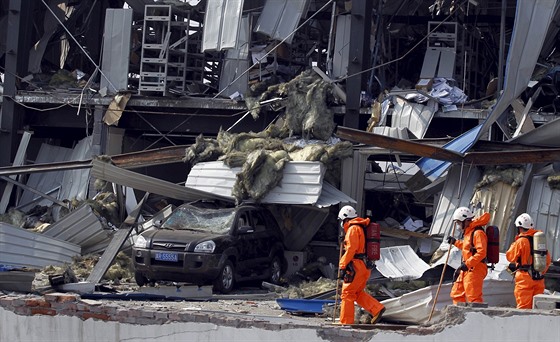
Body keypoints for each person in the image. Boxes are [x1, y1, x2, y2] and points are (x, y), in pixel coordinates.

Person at [337, 205, 385, 325]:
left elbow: (351, 250)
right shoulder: (361, 227)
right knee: (356, 293)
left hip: (356, 266)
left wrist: (342, 265)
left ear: (345, 219)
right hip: (364, 266)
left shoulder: (353, 229)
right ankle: (376, 309)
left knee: (347, 294)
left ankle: (346, 323)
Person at [505, 213, 552, 309]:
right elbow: (547, 261)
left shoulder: (521, 241)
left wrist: (514, 244)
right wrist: (540, 273)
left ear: (519, 227)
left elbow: (510, 257)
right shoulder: (539, 240)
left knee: (523, 308)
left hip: (524, 279)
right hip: (539, 279)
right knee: (537, 308)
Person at [447, 206, 491, 304]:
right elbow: (468, 248)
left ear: (466, 221)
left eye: (458, 222)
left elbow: (481, 252)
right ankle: (458, 315)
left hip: (475, 268)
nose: (458, 225)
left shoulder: (478, 233)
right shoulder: (470, 232)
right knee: (456, 292)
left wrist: (468, 264)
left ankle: (476, 317)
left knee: (473, 297)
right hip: (468, 268)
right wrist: (455, 242)